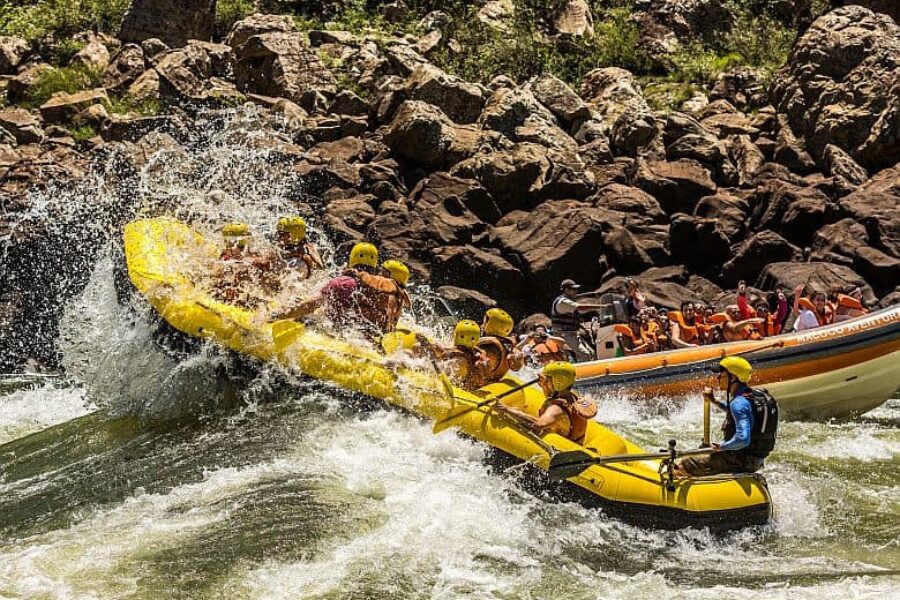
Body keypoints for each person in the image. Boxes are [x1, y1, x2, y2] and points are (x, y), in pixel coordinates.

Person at [273, 242, 404, 338]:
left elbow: (312, 304)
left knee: (304, 319)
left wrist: (280, 316)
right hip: (370, 339)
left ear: (352, 259)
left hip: (341, 335)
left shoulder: (342, 282)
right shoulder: (388, 290)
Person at [675, 357, 778, 477]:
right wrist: (714, 401)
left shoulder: (738, 403)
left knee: (682, 464)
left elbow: (743, 439)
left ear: (733, 378)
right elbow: (740, 414)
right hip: (756, 460)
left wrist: (721, 447)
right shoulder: (754, 396)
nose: (717, 378)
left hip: (739, 460)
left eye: (721, 375)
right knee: (697, 455)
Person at [496, 361, 598, 444]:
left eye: (546, 381)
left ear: (557, 383)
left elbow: (538, 424)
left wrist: (507, 409)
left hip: (562, 451)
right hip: (574, 443)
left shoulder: (556, 409)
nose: (543, 385)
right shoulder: (572, 397)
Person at [550, 279, 605, 361]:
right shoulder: (563, 302)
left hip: (572, 334)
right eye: (573, 289)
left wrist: (583, 328)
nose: (576, 291)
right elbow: (581, 308)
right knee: (585, 355)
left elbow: (571, 319)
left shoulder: (568, 301)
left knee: (592, 353)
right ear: (566, 290)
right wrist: (602, 306)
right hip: (564, 335)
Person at [433, 320, 491, 390]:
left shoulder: (459, 362)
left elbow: (434, 372)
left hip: (461, 392)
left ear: (458, 335)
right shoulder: (474, 352)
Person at [476, 308, 525, 383]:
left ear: (491, 325)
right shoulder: (508, 344)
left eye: (485, 322)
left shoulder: (488, 346)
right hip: (494, 381)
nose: (481, 325)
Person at [381, 259, 413, 332]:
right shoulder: (401, 292)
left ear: (393, 276)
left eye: (383, 272)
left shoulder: (392, 294)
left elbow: (389, 313)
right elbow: (409, 304)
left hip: (386, 329)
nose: (380, 274)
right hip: (391, 327)